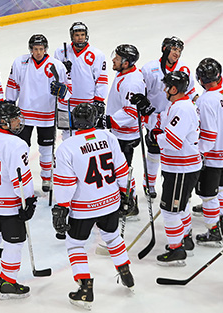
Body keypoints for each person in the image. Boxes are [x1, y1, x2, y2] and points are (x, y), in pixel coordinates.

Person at [52, 102, 134, 310]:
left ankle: (85, 289)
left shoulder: (67, 147)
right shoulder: (109, 137)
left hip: (83, 207)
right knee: (112, 236)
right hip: (110, 201)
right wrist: (127, 193)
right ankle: (125, 271)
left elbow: (66, 184)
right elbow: (122, 170)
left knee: (75, 244)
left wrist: (61, 208)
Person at [0, 101, 37, 299]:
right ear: (3, 122)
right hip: (7, 203)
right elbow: (20, 179)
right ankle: (9, 282)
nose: (19, 121)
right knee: (15, 242)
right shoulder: (16, 144)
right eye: (14, 119)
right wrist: (28, 200)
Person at [145, 71, 200, 265]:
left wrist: (155, 138)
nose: (164, 89)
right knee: (181, 206)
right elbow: (168, 128)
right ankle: (185, 240)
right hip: (180, 167)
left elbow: (174, 141)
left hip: (181, 168)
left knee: (170, 211)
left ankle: (177, 249)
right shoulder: (177, 105)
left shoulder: (182, 109)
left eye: (167, 86)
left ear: (174, 89)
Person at [6, 34, 70, 192]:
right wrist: (9, 104)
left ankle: (47, 179)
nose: (38, 52)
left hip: (46, 115)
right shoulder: (20, 63)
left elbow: (68, 91)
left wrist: (62, 91)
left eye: (41, 49)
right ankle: (21, 178)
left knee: (46, 150)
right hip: (24, 115)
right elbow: (13, 84)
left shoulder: (56, 65)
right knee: (21, 148)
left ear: (46, 49)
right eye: (35, 49)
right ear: (31, 49)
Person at [98, 44, 153, 219]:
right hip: (120, 132)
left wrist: (109, 120)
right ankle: (125, 200)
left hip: (126, 134)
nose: (113, 59)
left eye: (118, 57)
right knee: (118, 168)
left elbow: (130, 112)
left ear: (126, 62)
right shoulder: (124, 73)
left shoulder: (132, 82)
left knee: (122, 169)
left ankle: (130, 204)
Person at [141, 36, 199, 199]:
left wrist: (199, 102)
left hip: (176, 116)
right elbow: (141, 91)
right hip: (154, 117)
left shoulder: (184, 69)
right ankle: (149, 184)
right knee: (154, 151)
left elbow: (190, 91)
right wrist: (143, 106)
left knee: (173, 149)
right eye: (174, 49)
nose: (177, 53)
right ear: (165, 49)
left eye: (179, 50)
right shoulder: (149, 68)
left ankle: (174, 181)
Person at [54, 21, 108, 140]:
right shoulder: (61, 52)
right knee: (67, 134)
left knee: (88, 136)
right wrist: (62, 69)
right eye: (77, 35)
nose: (80, 38)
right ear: (72, 36)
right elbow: (53, 77)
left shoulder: (97, 54)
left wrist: (99, 99)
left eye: (82, 35)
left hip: (87, 103)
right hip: (65, 102)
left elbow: (101, 79)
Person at [194, 58, 223, 246]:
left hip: (214, 156)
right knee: (221, 189)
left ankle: (214, 230)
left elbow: (209, 134)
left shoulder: (205, 101)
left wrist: (199, 153)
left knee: (208, 194)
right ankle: (220, 218)